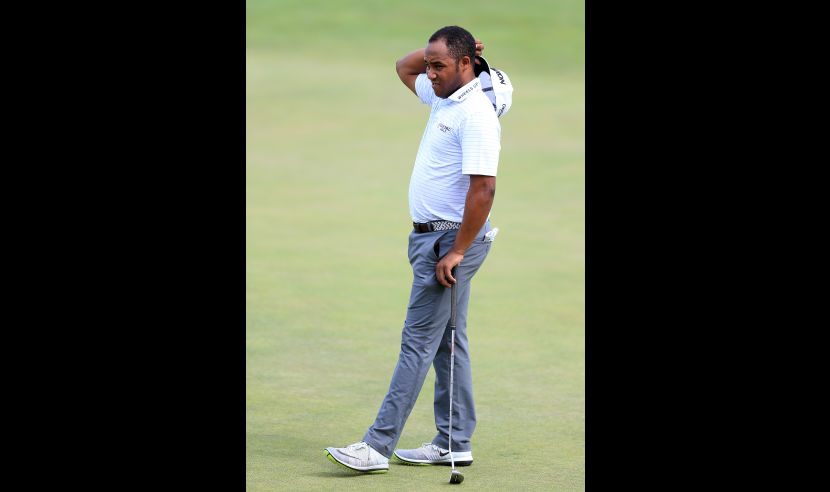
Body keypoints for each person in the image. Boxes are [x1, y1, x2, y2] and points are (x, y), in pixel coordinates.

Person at [324, 25, 504, 474]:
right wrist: (437, 55)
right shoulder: (444, 95)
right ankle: (453, 441)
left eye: (439, 65)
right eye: (430, 64)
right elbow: (403, 67)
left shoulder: (476, 113)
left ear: (466, 65)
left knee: (417, 343)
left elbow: (484, 190)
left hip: (449, 241)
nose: (429, 72)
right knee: (448, 342)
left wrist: (457, 251)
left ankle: (377, 446)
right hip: (434, 238)